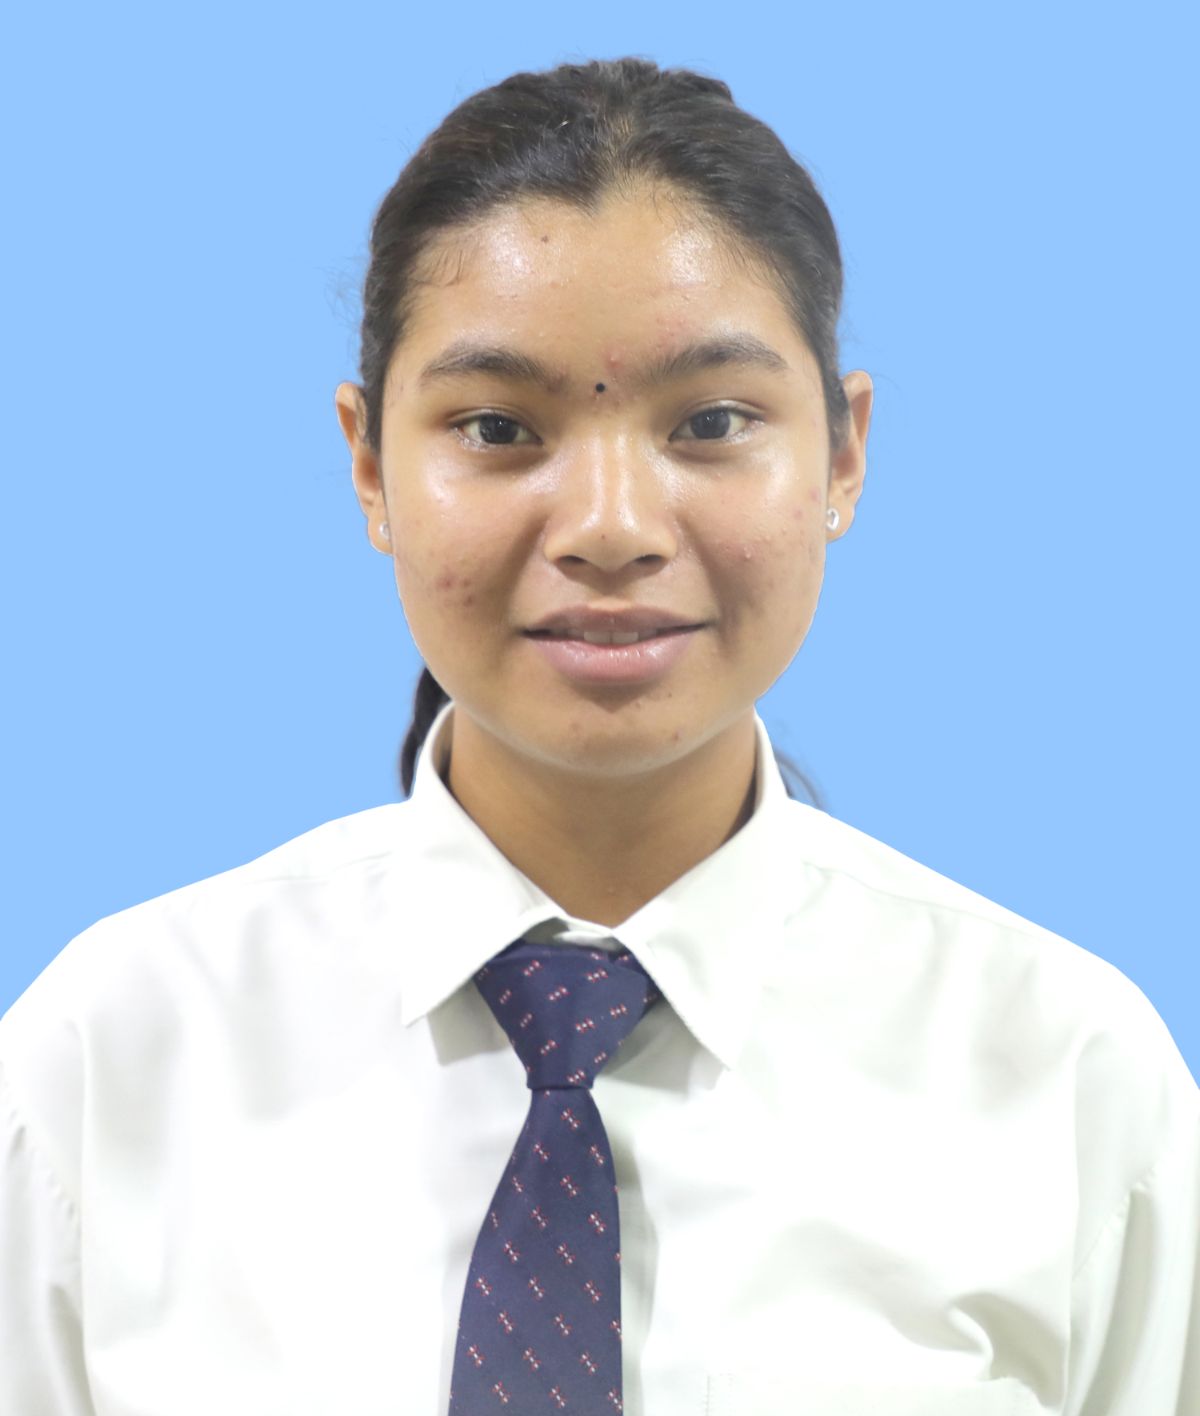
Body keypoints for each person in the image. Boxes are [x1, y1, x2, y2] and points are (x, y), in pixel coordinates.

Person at [1, 56, 1196, 1416]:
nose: (612, 527)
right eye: (498, 427)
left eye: (714, 422)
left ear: (843, 455)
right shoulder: (109, 1063)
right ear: (371, 465)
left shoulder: (1070, 1078)